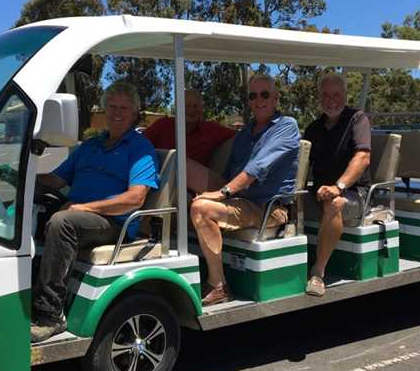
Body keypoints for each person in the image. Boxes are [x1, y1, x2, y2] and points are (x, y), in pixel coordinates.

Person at [30, 81, 158, 342]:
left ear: (134, 113)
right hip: (80, 215)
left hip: (114, 222)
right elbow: (55, 180)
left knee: (61, 223)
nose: (117, 112)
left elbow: (135, 198)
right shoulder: (89, 146)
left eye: (124, 108)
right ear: (104, 110)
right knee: (22, 212)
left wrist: (83, 207)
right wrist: (22, 178)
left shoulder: (140, 148)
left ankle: (51, 314)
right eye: (112, 107)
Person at [190, 74, 300, 305]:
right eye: (253, 95)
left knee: (201, 208)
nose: (258, 100)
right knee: (183, 166)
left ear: (276, 98)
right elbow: (232, 173)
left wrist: (221, 194)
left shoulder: (286, 126)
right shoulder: (243, 134)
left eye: (264, 94)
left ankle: (218, 286)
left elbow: (256, 168)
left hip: (269, 208)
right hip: (242, 200)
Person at [303, 72, 371, 296]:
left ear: (345, 95)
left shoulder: (357, 119)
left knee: (335, 203)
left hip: (354, 193)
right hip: (320, 191)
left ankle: (318, 272)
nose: (331, 100)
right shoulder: (313, 128)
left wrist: (338, 186)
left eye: (336, 94)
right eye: (325, 95)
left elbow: (363, 157)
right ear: (319, 97)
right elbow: (303, 164)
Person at [143, 90, 236, 193]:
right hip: (159, 184)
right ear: (177, 108)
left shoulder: (212, 129)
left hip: (190, 192)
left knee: (182, 163)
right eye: (186, 105)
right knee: (177, 160)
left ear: (202, 108)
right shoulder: (163, 125)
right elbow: (139, 146)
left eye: (196, 106)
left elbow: (242, 135)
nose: (191, 110)